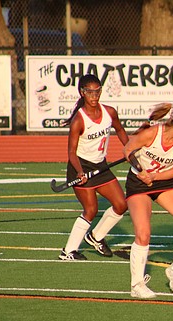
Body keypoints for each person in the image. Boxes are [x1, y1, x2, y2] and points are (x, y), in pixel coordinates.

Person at [122, 103, 173, 298]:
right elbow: (128, 149)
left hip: (164, 181)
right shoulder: (152, 134)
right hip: (139, 184)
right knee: (143, 233)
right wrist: (141, 170)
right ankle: (137, 285)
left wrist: (154, 177)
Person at [59, 74, 129, 260]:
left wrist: (129, 149)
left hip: (100, 166)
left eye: (97, 90)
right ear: (82, 93)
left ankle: (96, 237)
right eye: (90, 91)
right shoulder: (78, 120)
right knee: (91, 210)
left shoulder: (109, 112)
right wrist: (80, 172)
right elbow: (72, 152)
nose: (94, 95)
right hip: (80, 167)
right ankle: (68, 252)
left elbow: (120, 130)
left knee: (121, 204)